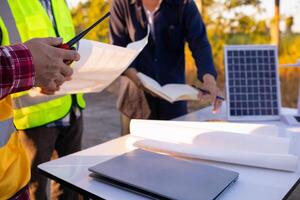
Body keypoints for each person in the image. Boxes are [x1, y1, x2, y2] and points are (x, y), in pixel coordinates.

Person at [0, 1, 85, 199]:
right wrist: (29, 71)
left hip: (71, 106)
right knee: (37, 190)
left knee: (71, 187)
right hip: (32, 115)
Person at [110, 0, 222, 131]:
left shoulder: (184, 4)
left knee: (174, 149)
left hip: (174, 103)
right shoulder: (121, 4)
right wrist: (138, 79)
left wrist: (209, 78)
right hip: (135, 102)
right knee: (134, 150)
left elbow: (200, 44)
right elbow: (119, 48)